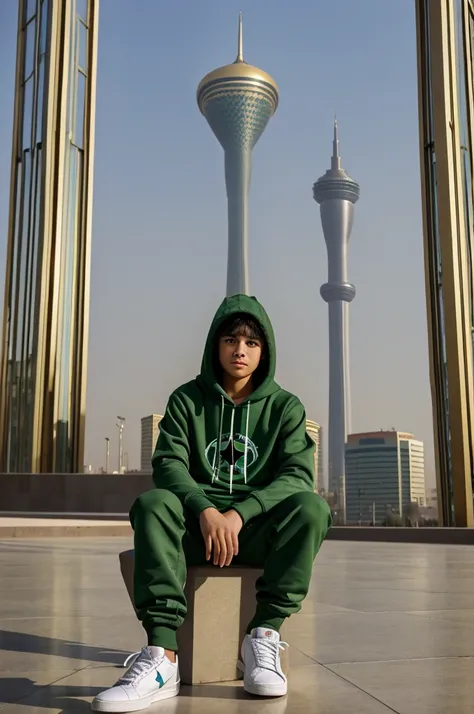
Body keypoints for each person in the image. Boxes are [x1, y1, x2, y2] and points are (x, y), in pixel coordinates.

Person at [92, 294, 331, 712]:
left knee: (313, 509)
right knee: (153, 504)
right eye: (231, 340)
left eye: (252, 343)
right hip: (195, 530)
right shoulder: (187, 400)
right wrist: (206, 511)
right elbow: (168, 464)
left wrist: (239, 514)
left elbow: (297, 474)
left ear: (265, 351)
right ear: (215, 346)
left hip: (253, 534)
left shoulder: (284, 407)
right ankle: (162, 657)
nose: (240, 350)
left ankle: (263, 638)